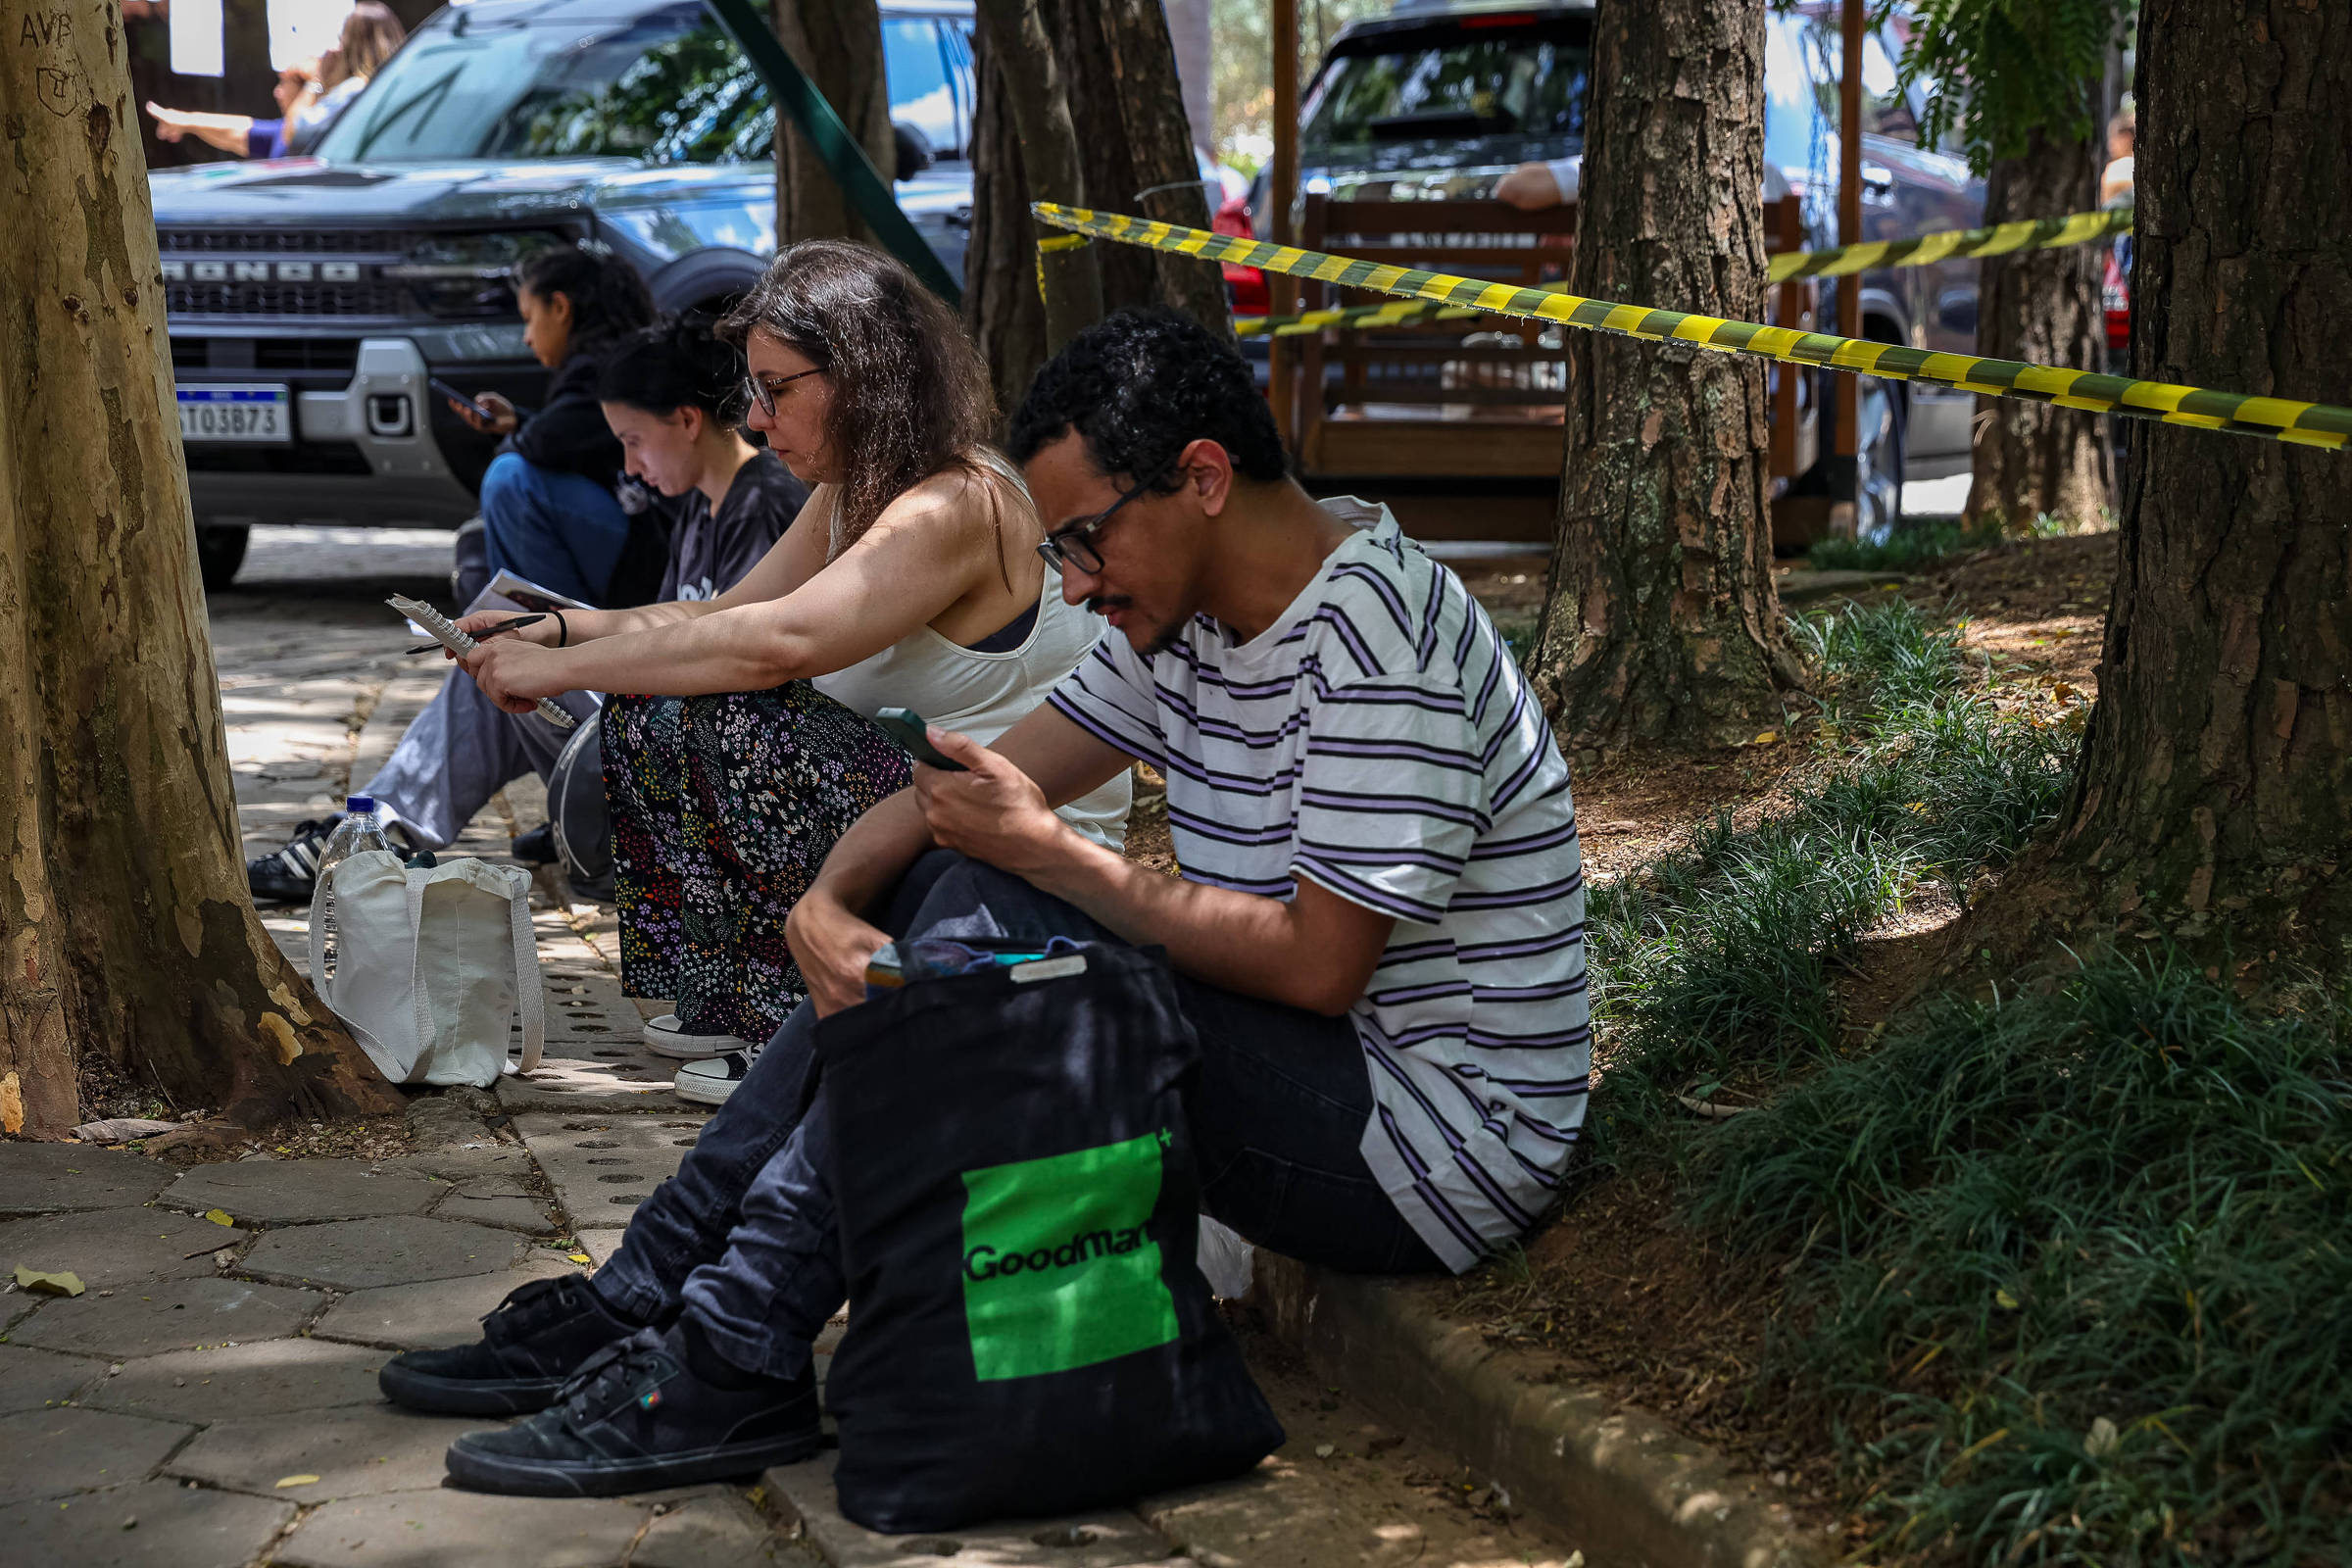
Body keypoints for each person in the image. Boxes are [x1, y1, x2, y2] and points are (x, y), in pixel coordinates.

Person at [376, 308, 1589, 1500]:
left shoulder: (1377, 645)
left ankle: (729, 1343)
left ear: (1204, 479)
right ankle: (656, 1292)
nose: (1073, 582)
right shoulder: (1184, 619)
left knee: (1005, 922)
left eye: (1085, 543)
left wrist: (1061, 862)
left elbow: (1321, 966)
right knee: (961, 876)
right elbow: (962, 792)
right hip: (1311, 1065)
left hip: (1428, 1143)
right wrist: (832, 901)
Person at [451, 239, 1130, 1093]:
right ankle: (734, 996)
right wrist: (561, 631)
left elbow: (776, 644)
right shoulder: (857, 489)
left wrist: (554, 673)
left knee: (732, 708)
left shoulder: (958, 500)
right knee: (656, 710)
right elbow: (720, 612)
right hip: (918, 813)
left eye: (775, 390)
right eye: (753, 392)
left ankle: (790, 1021)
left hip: (1005, 852)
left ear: (864, 376)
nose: (756, 420)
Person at [246, 318, 802, 903]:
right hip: (674, 742)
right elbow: (670, 623)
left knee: (503, 671)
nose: (631, 467)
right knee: (494, 667)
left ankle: (372, 836)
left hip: (723, 771)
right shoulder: (700, 508)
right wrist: (549, 634)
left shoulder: (760, 503)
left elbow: (737, 654)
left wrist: (563, 658)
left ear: (687, 420)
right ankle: (380, 831)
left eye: (634, 441)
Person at [444, 244, 659, 608]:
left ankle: (552, 638)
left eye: (529, 318)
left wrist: (520, 433)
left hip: (646, 551)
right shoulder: (610, 359)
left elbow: (543, 444)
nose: (527, 336)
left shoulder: (600, 371)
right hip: (638, 535)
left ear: (560, 307)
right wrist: (517, 423)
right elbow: (559, 435)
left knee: (509, 480)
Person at [143, 4, 405, 159]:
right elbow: (244, 132)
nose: (277, 93)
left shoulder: (352, 94)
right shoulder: (387, 93)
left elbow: (292, 133)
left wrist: (316, 81)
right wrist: (183, 120)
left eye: (285, 85)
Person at [2099, 105, 2134, 209]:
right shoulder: (2144, 167)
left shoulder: (2116, 168)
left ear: (2126, 138)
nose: (2110, 144)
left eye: (2113, 138)